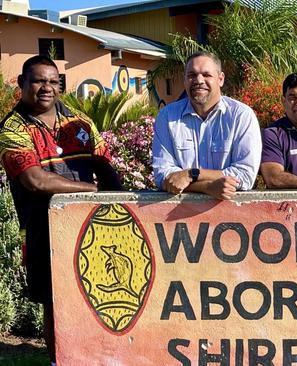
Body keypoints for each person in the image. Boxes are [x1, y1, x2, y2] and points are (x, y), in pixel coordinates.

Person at [0, 55, 122, 365]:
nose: (47, 87)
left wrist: (119, 198)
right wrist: (95, 192)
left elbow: (106, 166)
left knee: (99, 292)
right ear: (22, 84)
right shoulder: (12, 128)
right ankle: (59, 360)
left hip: (92, 226)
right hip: (44, 230)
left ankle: (98, 357)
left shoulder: (80, 122)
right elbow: (34, 180)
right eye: (39, 80)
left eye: (53, 81)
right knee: (56, 301)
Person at [152, 52, 261, 199]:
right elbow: (163, 175)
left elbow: (245, 174)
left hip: (232, 215)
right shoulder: (167, 117)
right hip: (177, 216)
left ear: (220, 79)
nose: (198, 80)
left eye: (206, 75)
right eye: (191, 75)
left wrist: (191, 174)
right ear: (185, 80)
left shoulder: (241, 116)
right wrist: (207, 187)